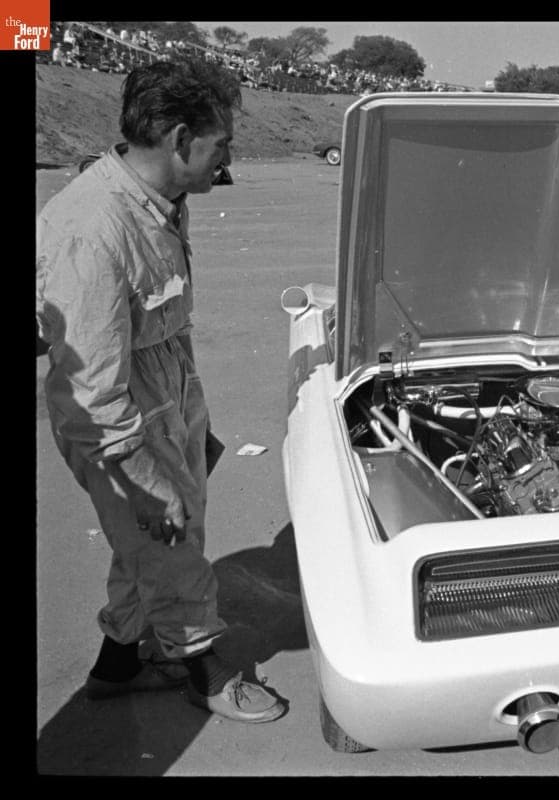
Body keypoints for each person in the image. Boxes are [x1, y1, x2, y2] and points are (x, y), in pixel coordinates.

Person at [36, 59, 286, 723]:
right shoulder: (94, 227)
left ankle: (118, 664)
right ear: (180, 140)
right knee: (170, 542)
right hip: (116, 420)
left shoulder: (158, 202)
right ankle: (200, 668)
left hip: (164, 389)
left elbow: (155, 326)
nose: (226, 159)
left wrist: (189, 426)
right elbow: (91, 390)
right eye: (221, 144)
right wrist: (144, 481)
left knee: (144, 544)